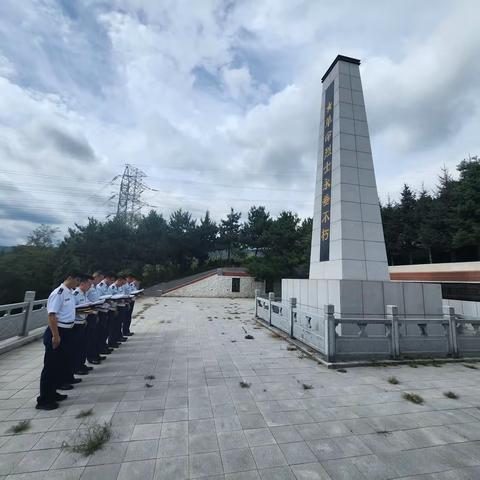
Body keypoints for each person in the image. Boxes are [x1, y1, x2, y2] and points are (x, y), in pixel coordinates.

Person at [37, 273, 81, 410]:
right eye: (77, 280)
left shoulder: (70, 293)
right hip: (57, 332)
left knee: (59, 365)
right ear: (70, 278)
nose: (78, 283)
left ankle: (53, 392)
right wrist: (56, 336)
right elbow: (52, 315)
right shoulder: (59, 293)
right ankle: (44, 400)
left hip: (67, 331)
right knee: (50, 367)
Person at [73, 275, 95, 374]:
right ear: (82, 284)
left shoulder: (84, 294)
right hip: (76, 324)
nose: (90, 286)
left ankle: (81, 365)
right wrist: (88, 310)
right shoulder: (76, 294)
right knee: (77, 347)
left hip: (83, 322)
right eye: (88, 284)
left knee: (83, 345)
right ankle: (76, 367)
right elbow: (73, 310)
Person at [86, 271, 107, 363]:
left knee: (96, 336)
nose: (101, 280)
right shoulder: (88, 289)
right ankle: (91, 357)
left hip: (96, 312)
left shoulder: (95, 288)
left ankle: (96, 354)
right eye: (100, 278)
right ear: (96, 277)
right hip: (89, 315)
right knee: (90, 338)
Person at [109, 275, 129, 344]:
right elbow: (111, 299)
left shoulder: (119, 287)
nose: (122, 285)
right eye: (122, 283)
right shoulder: (112, 287)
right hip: (115, 308)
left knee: (119, 324)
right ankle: (112, 340)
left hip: (121, 306)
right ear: (119, 280)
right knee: (114, 326)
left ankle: (117, 338)